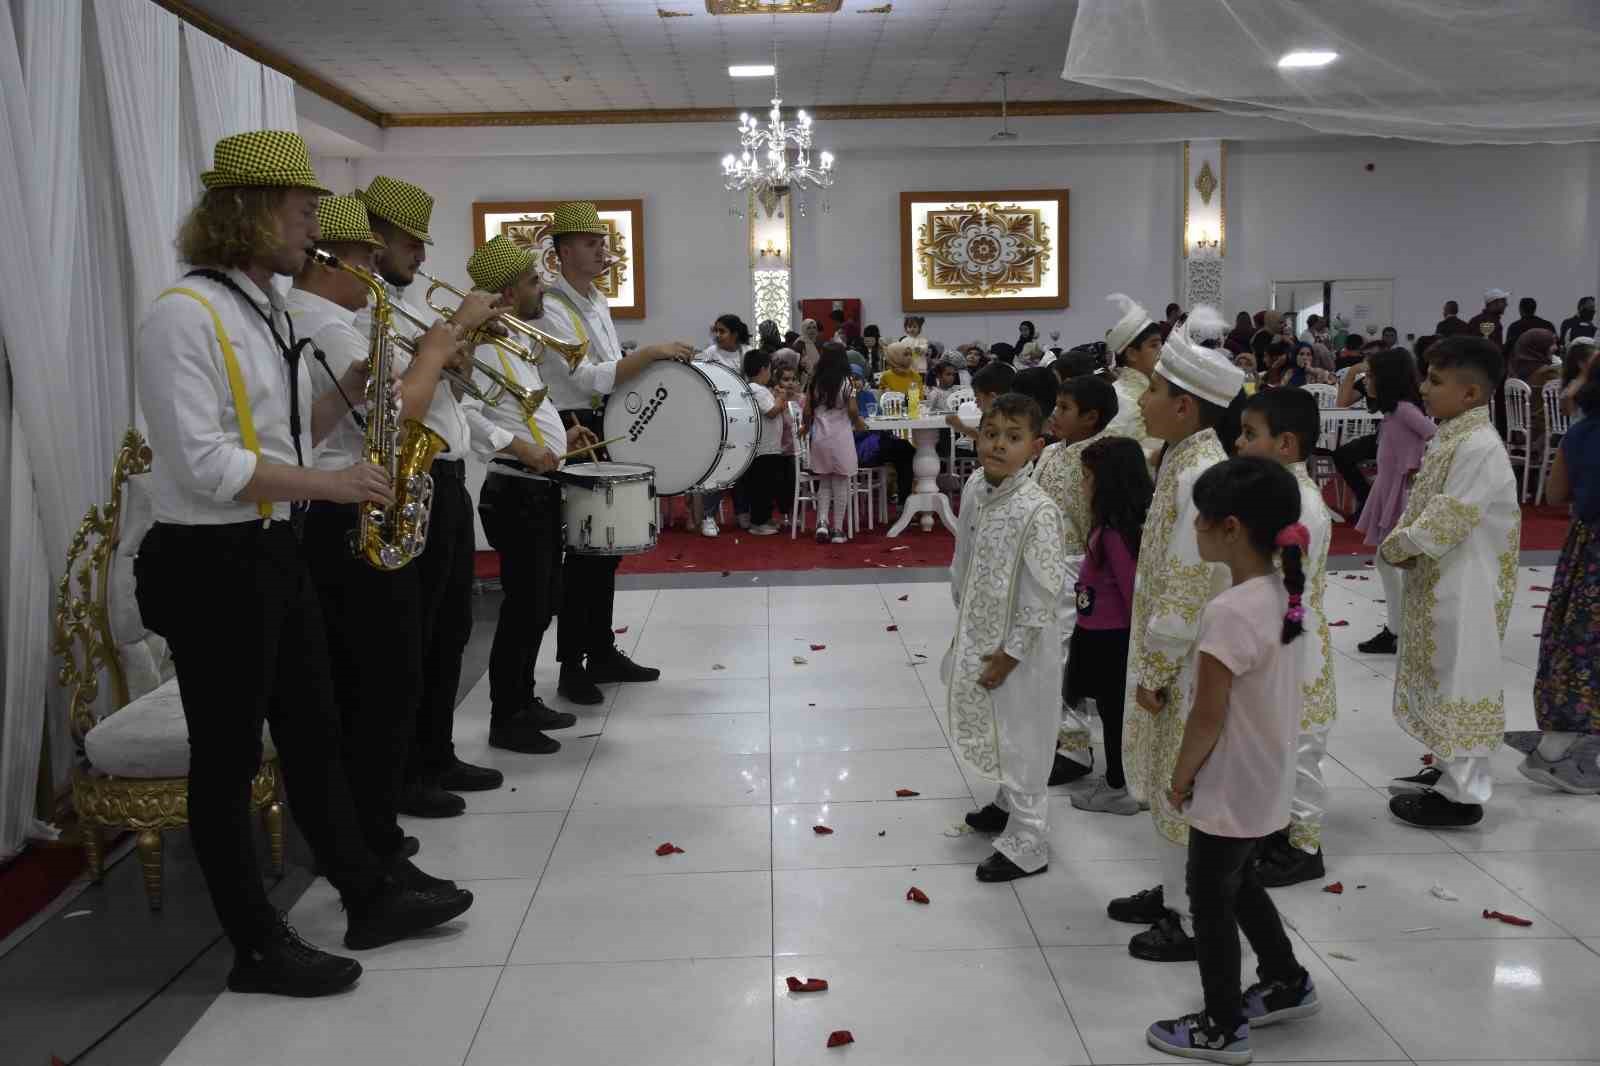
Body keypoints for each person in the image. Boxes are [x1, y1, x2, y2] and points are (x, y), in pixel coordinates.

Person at [135, 132, 472, 997]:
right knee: (229, 758)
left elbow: (294, 428)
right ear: (247, 214)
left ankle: (368, 892)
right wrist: (332, 487)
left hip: (270, 548)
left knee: (316, 731)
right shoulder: (183, 314)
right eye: (303, 210)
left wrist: (360, 384)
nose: (315, 227)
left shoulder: (269, 310)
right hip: (208, 561)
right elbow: (204, 464)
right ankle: (255, 945)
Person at [293, 199, 494, 862]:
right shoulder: (326, 323)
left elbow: (407, 397)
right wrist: (436, 348)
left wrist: (443, 363)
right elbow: (397, 407)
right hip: (350, 504)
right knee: (381, 676)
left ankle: (392, 805)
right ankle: (373, 833)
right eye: (370, 262)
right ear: (341, 258)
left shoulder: (345, 318)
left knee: (418, 652)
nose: (378, 274)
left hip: (392, 490)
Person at [1144, 458, 1320, 1066]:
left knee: (1209, 897)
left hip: (1228, 777)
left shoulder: (1228, 611)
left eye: (1202, 515)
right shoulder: (1283, 591)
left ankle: (1222, 1024)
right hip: (1268, 773)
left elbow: (1208, 716)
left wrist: (1181, 773)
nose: (1194, 524)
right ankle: (1286, 980)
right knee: (1238, 881)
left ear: (1232, 528)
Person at [354, 175, 510, 815]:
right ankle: (406, 775)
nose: (421, 257)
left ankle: (437, 753)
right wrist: (448, 335)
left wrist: (461, 347)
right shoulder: (365, 311)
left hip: (443, 476)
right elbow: (392, 402)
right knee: (411, 638)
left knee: (450, 630)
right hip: (403, 479)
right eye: (411, 243)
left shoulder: (413, 302)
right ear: (376, 238)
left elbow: (459, 389)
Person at [1114, 312, 1243, 963]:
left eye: (1156, 389)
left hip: (1190, 658)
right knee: (1172, 776)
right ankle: (1172, 889)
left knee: (1186, 778)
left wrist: (1158, 671)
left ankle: (1193, 917)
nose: (1145, 398)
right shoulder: (1182, 459)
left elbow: (1188, 583)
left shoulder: (1200, 474)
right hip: (1175, 649)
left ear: (1185, 407)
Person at [535, 201, 692, 705]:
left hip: (600, 423)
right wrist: (646, 355)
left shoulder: (596, 299)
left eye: (602, 241)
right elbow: (586, 377)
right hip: (571, 426)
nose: (602, 250)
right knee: (582, 550)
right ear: (560, 253)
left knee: (607, 549)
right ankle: (571, 666)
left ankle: (600, 650)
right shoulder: (553, 308)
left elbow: (607, 367)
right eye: (589, 242)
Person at [466, 236, 599, 754]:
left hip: (537, 486)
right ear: (505, 291)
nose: (539, 285)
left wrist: (558, 440)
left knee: (541, 604)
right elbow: (472, 417)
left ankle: (523, 700)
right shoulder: (479, 345)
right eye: (529, 280)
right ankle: (507, 718)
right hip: (516, 491)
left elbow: (516, 410)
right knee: (525, 608)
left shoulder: (511, 342)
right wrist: (520, 447)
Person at [1383, 336, 1522, 829]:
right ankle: (1446, 767)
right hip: (1444, 573)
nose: (1423, 388)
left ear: (1470, 394)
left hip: (1468, 580)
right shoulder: (1454, 434)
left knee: (1462, 675)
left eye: (1435, 381)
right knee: (1442, 670)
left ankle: (1463, 796)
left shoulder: (1480, 446)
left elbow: (1450, 515)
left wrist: (1401, 545)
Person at [947, 393, 1066, 882]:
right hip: (981, 628)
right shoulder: (978, 485)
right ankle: (1005, 801)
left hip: (1023, 649)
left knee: (1024, 736)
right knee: (1000, 726)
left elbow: (1042, 597)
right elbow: (966, 555)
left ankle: (1029, 840)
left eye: (1013, 438)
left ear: (1035, 447)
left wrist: (1011, 653)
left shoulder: (1037, 511)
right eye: (991, 433)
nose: (998, 445)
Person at [1234, 391, 1339, 887]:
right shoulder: (1275, 493)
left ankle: (1305, 845)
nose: (1238, 443)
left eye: (1250, 434)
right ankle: (1278, 830)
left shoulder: (1299, 505)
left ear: (1287, 443)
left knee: (1299, 747)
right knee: (1276, 741)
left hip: (1294, 639)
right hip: (1275, 636)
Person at [1034, 375, 1120, 785]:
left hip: (1076, 565)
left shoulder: (1097, 461)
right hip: (1045, 561)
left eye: (1066, 409)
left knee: (1065, 655)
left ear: (1091, 417)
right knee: (1047, 650)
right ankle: (1055, 734)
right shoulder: (1052, 452)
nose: (1056, 414)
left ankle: (1074, 745)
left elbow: (1095, 522)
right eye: (1057, 405)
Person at [1522, 370, 1600, 792]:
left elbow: (1554, 494)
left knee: (1579, 647)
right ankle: (1553, 752)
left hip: (1585, 547)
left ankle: (1557, 746)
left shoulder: (1579, 434)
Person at [1065, 436, 1152, 815]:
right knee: (1109, 709)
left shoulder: (1117, 532)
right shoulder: (1110, 527)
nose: (1083, 486)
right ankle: (1119, 778)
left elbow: (1134, 590)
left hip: (1112, 638)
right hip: (1097, 631)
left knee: (1115, 712)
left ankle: (1121, 784)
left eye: (1087, 478)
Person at [1351, 349, 1435, 656]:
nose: (1366, 380)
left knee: (1389, 560)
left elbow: (1434, 435)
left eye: (1370, 375)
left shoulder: (1402, 410)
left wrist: (1419, 466)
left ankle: (1399, 630)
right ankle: (1398, 628)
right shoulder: (1393, 410)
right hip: (1391, 488)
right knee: (1387, 561)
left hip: (1402, 491)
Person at [693, 314, 753, 536]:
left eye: (722, 331)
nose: (717, 335)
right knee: (720, 468)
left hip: (746, 421)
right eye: (715, 331)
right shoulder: (709, 354)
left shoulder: (747, 353)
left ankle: (743, 512)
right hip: (718, 421)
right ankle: (709, 516)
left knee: (744, 467)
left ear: (735, 334)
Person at [803, 342, 868, 543]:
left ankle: (821, 523)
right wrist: (859, 424)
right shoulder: (848, 383)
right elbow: (853, 410)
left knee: (824, 482)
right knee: (840, 483)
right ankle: (838, 529)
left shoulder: (814, 381)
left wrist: (805, 427)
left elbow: (807, 410)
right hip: (840, 436)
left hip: (820, 437)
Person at [1103, 293, 1166, 461]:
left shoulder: (1153, 389)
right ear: (1132, 354)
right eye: (1154, 345)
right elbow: (1108, 450)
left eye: (1161, 344)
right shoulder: (1119, 397)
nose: (1162, 351)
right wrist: (1152, 456)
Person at [738, 348, 792, 536]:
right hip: (764, 448)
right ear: (762, 369)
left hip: (771, 447)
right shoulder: (756, 389)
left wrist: (778, 398)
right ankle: (757, 523)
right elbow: (771, 411)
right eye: (769, 369)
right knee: (761, 487)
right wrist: (780, 397)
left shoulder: (761, 389)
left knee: (768, 485)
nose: (770, 373)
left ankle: (766, 519)